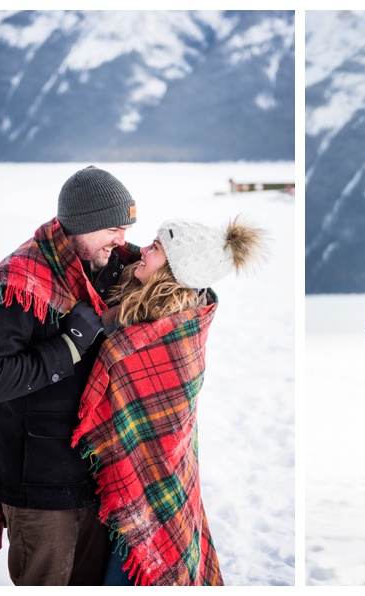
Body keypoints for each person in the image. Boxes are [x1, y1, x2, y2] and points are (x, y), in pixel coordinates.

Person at [0, 166, 139, 585]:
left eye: (126, 228)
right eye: (113, 227)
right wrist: (71, 343)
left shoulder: (111, 265)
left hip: (95, 474)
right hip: (37, 483)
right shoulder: (15, 283)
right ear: (83, 223)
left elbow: (163, 271)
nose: (122, 240)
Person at [70, 215, 266, 586]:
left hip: (149, 474)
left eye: (156, 248)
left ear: (176, 270)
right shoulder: (138, 303)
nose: (143, 250)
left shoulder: (170, 328)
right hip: (116, 481)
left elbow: (156, 414)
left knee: (140, 564)